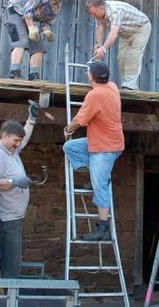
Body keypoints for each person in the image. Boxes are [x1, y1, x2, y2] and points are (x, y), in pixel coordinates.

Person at [62, 62, 124, 241]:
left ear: (91, 77)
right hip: (102, 141)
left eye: (88, 72)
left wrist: (67, 130)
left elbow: (79, 121)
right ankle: (98, 176)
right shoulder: (112, 87)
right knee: (70, 147)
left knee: (100, 187)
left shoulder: (94, 95)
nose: (87, 74)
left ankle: (102, 228)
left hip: (106, 148)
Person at [0, 102, 40, 278]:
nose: (18, 144)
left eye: (19, 141)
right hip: (3, 221)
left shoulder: (12, 150)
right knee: (9, 267)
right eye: (15, 141)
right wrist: (13, 181)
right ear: (4, 136)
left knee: (10, 263)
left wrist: (31, 119)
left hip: (12, 219)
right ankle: (5, 302)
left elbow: (24, 139)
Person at [5, 0, 76, 80]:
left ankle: (34, 76)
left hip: (28, 18)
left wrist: (47, 31)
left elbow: (46, 21)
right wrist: (31, 28)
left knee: (39, 47)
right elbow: (27, 10)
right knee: (21, 41)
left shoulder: (57, 3)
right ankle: (14, 73)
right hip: (13, 11)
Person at [86, 0, 152, 90]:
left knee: (133, 55)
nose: (93, 16)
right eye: (92, 14)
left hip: (140, 28)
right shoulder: (99, 14)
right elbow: (100, 26)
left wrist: (103, 49)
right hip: (125, 32)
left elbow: (113, 32)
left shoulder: (114, 10)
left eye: (94, 13)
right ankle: (132, 86)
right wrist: (99, 44)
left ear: (101, 8)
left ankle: (129, 86)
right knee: (122, 58)